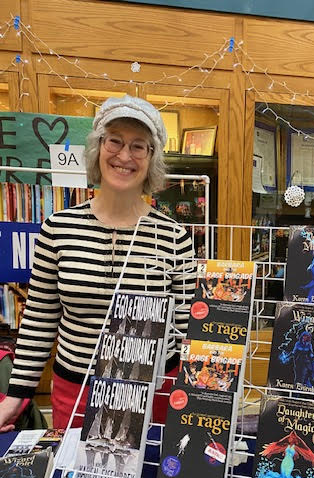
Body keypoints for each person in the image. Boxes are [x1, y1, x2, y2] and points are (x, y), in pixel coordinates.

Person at [0, 95, 196, 432]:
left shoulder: (174, 238)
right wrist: (17, 396)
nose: (124, 156)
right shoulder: (58, 229)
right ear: (97, 147)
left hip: (151, 394)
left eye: (139, 146)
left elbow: (185, 331)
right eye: (115, 141)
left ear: (152, 159)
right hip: (76, 391)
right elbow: (40, 319)